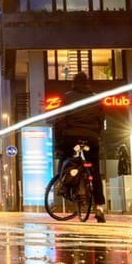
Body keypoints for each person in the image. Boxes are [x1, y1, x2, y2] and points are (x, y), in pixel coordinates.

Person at [52, 71, 107, 222]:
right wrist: (96, 135)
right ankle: (100, 207)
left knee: (64, 158)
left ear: (74, 83)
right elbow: (101, 120)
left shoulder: (67, 97)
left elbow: (59, 121)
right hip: (91, 138)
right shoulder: (95, 98)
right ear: (87, 82)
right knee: (95, 171)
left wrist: (59, 143)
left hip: (71, 137)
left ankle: (63, 185)